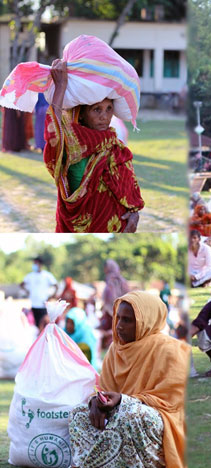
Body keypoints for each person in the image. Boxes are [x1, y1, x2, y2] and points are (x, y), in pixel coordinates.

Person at [69, 291, 190, 468]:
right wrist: (97, 401)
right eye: (118, 318)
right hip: (121, 416)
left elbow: (172, 402)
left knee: (130, 415)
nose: (118, 326)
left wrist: (125, 400)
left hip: (157, 421)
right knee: (79, 414)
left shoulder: (172, 350)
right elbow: (105, 390)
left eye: (127, 320)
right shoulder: (115, 349)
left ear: (146, 321)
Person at [45, 59, 143, 233]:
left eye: (108, 109)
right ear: (81, 115)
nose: (104, 116)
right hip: (77, 227)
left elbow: (129, 188)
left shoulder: (116, 146)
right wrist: (60, 86)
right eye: (97, 109)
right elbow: (54, 127)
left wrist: (135, 213)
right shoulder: (72, 143)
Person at [99, 259, 130, 350]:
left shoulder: (112, 281)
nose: (104, 270)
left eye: (106, 267)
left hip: (116, 312)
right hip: (118, 312)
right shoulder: (120, 281)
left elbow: (112, 299)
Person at [20, 257, 58, 329]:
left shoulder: (47, 275)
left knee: (44, 324)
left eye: (36, 263)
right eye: (34, 263)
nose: (34, 265)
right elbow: (21, 284)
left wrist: (51, 297)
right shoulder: (30, 275)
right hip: (34, 304)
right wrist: (27, 292)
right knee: (36, 325)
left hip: (43, 305)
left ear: (40, 264)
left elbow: (56, 286)